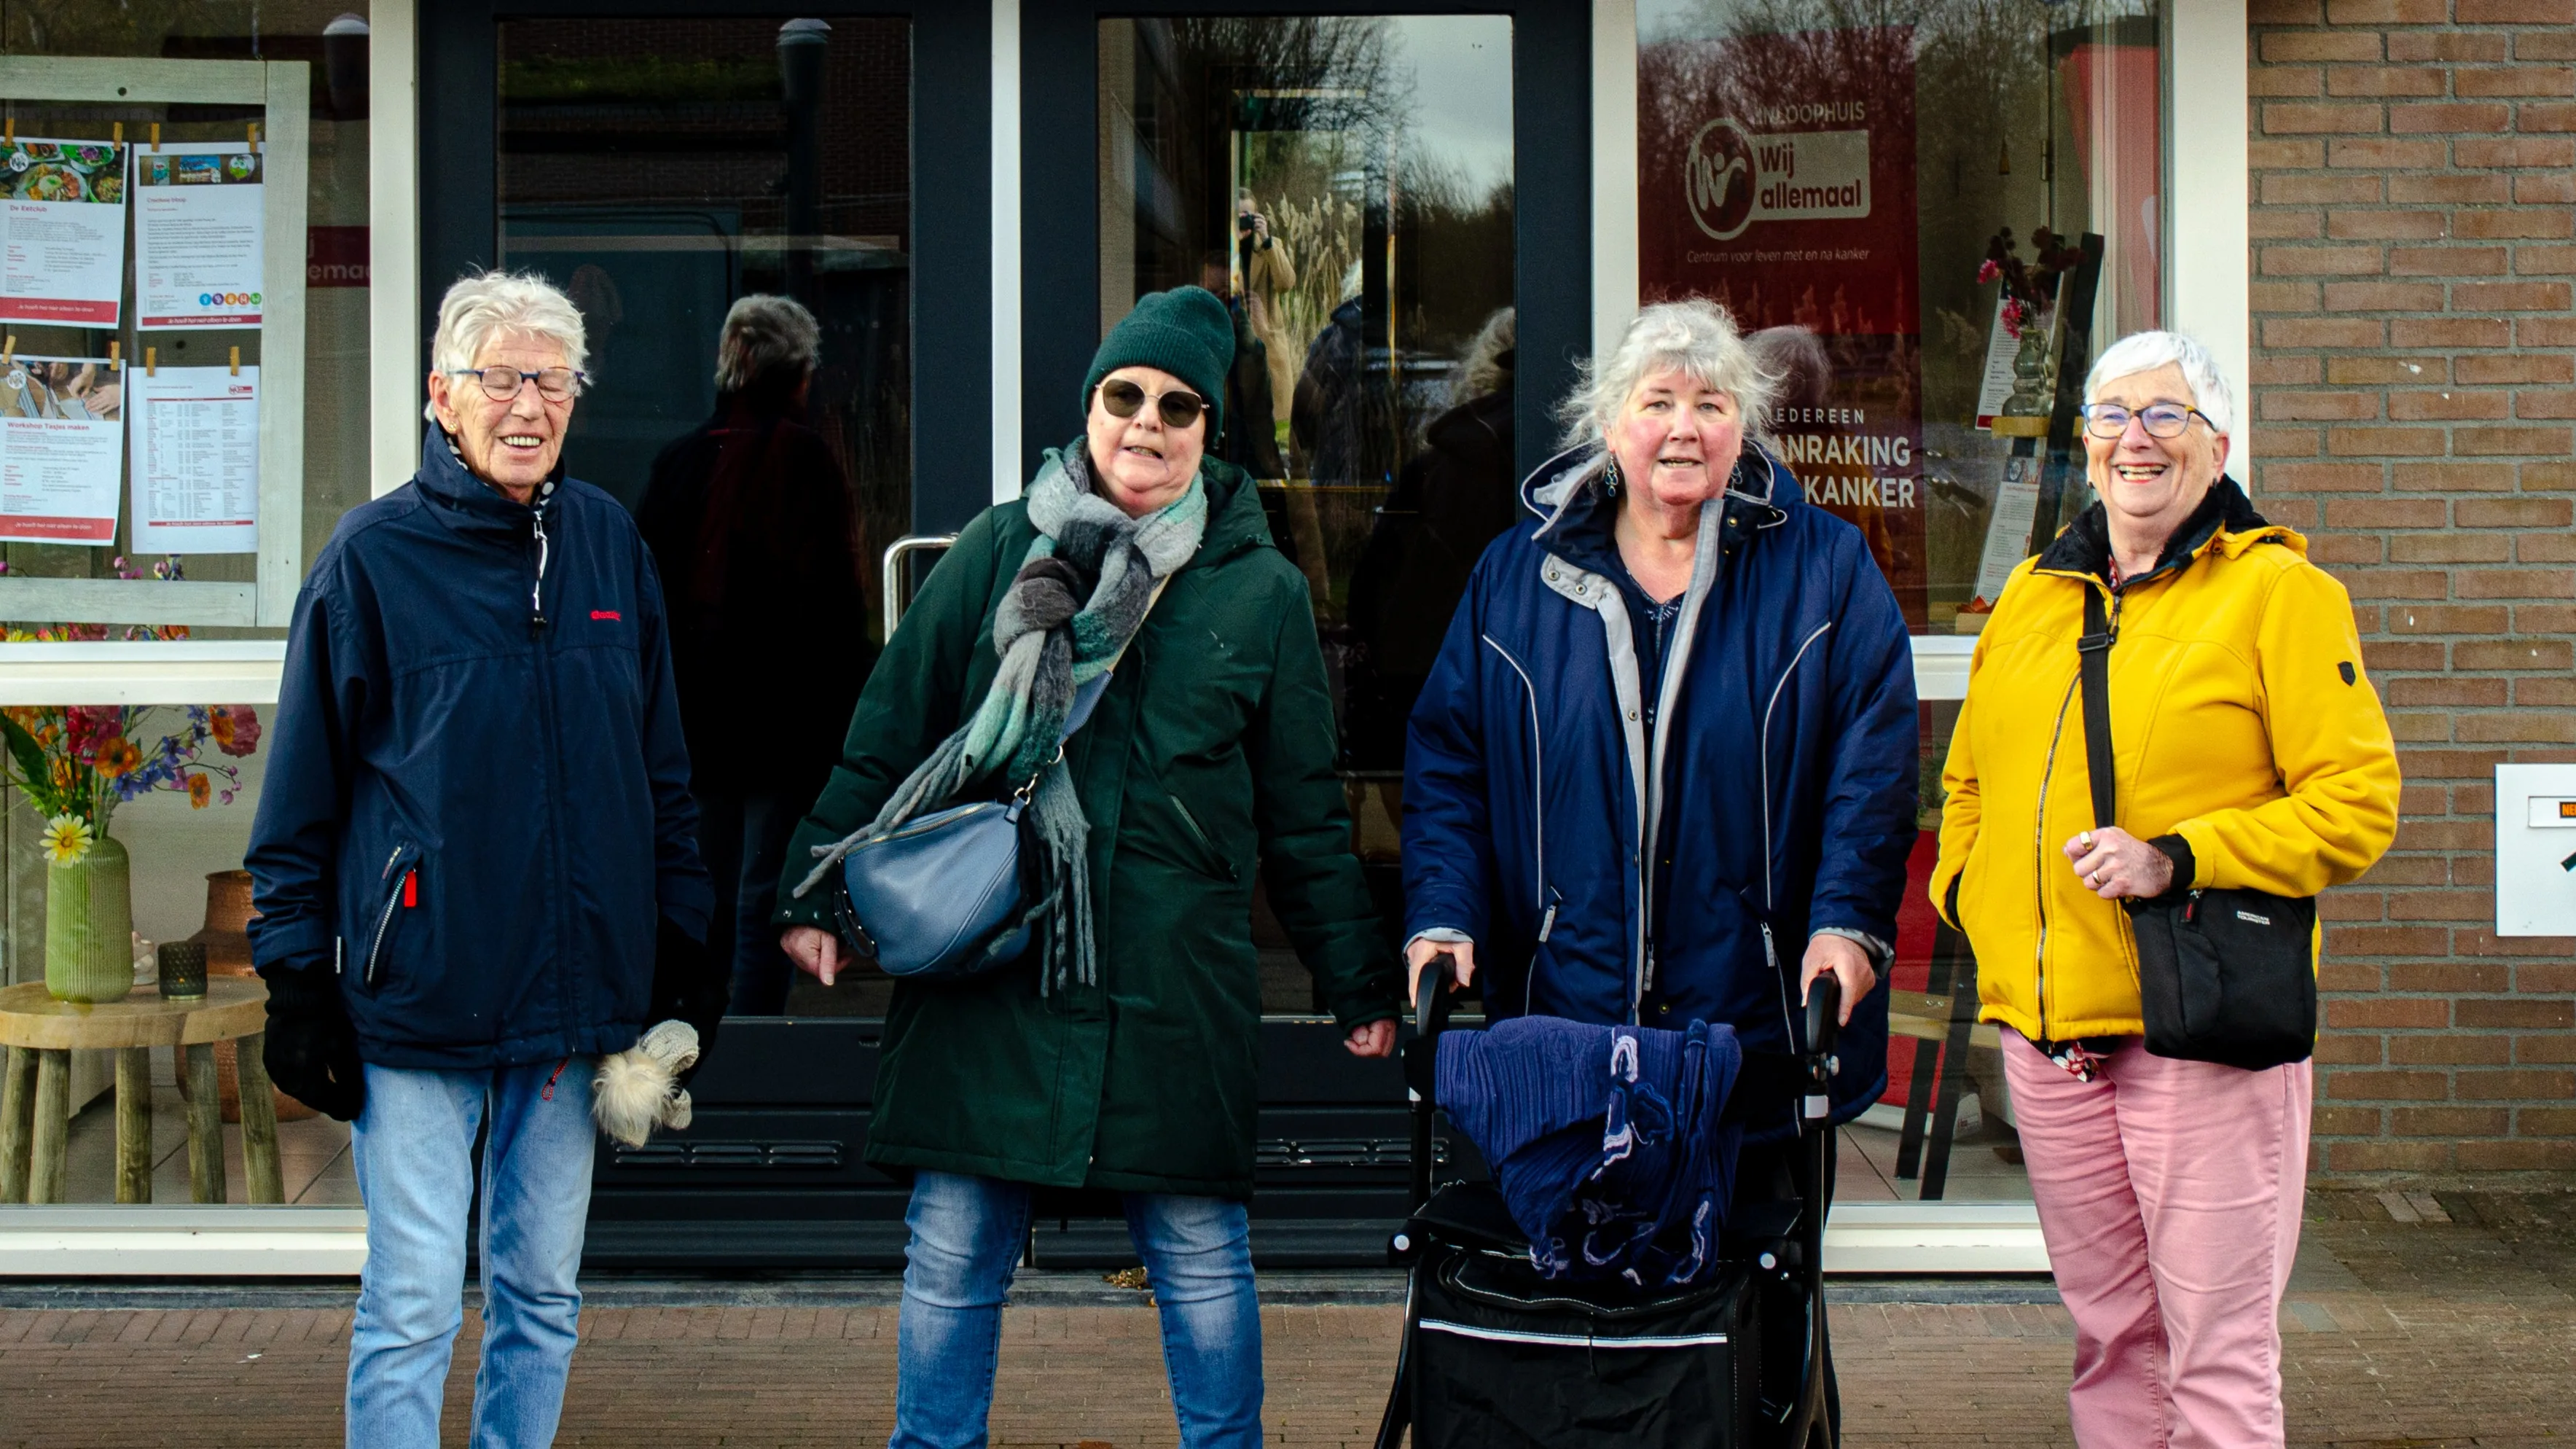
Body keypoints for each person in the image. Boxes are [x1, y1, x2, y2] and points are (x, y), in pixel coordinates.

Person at [775, 285, 1401, 1449]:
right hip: (996, 963)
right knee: (953, 1246)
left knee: (1201, 1254)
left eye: (1179, 406)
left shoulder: (1256, 591)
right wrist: (812, 889)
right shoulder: (997, 548)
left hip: (1168, 977)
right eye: (1125, 396)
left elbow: (1304, 812)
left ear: (1211, 432)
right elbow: (891, 722)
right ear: (1090, 405)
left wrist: (1356, 980)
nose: (1146, 424)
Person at [1400, 298, 1919, 1440]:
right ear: (1605, 424)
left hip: (1752, 1026)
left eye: (1710, 402)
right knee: (1577, 1326)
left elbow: (1871, 771)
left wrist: (1844, 924)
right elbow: (1448, 765)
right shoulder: (1514, 577)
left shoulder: (1824, 572)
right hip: (1567, 1026)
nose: (1682, 427)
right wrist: (1439, 914)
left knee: (1752, 1320)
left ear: (1746, 427)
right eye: (1655, 403)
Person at [245, 270, 725, 1448]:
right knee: (413, 1303)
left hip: (571, 1011)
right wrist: (298, 979)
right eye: (501, 377)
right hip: (421, 1006)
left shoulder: (609, 542)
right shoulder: (369, 563)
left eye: (551, 379)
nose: (529, 403)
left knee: (542, 1298)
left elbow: (662, 766)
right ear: (441, 397)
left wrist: (680, 935)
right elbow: (298, 804)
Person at [1930, 329, 2398, 1447]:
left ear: (2215, 443)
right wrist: (1977, 898)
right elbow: (1965, 782)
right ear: (2081, 444)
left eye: (2163, 415)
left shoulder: (2278, 594)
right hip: (2049, 1044)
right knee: (2111, 1346)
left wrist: (2178, 856)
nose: (2132, 438)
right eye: (2110, 415)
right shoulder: (2032, 599)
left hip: (2197, 1029)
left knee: (2215, 1355)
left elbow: (2355, 803)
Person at [638, 294, 871, 1015]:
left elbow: (649, 598)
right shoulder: (804, 461)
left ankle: (696, 1035)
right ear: (797, 375)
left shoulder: (679, 462)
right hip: (780, 717)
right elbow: (833, 600)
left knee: (699, 881)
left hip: (695, 715)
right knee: (764, 890)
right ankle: (754, 1041)